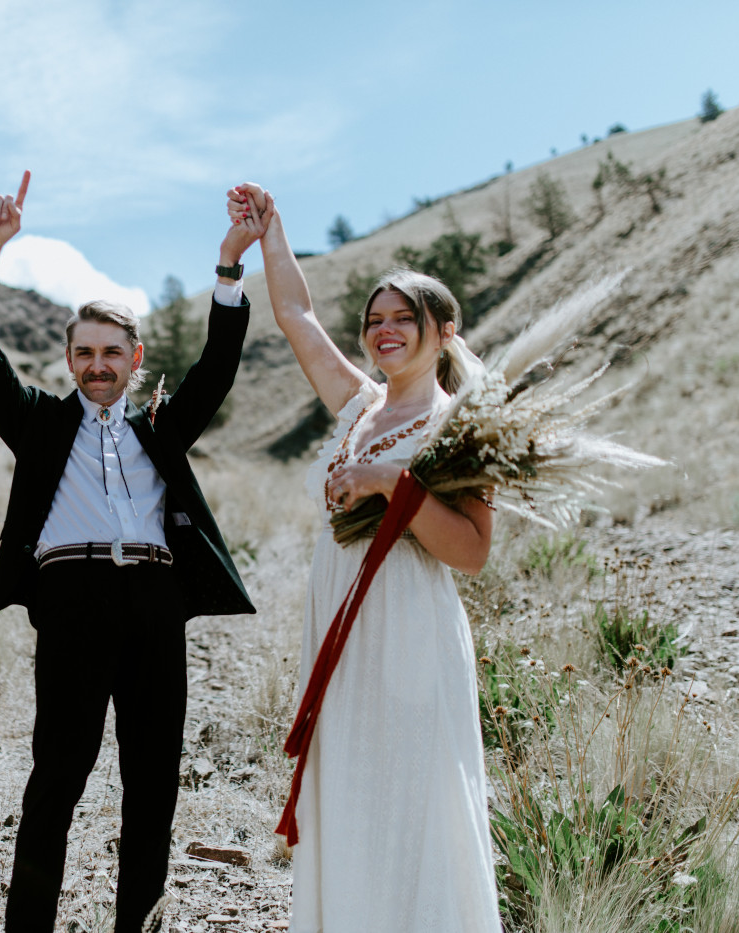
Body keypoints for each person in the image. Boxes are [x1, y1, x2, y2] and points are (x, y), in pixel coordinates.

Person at [0, 172, 257, 933]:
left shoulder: (160, 428)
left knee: (152, 785)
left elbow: (216, 369)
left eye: (111, 352)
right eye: (84, 352)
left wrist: (228, 263)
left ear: (133, 356)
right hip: (73, 602)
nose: (97, 364)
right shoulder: (40, 425)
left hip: (155, 604)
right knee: (56, 779)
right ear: (67, 359)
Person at [228, 184, 500, 932]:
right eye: (374, 319)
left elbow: (473, 551)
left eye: (401, 319)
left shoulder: (459, 426)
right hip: (339, 625)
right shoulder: (359, 406)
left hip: (408, 624)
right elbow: (295, 316)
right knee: (351, 786)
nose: (383, 331)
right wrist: (270, 231)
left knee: (415, 793)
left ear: (443, 330)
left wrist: (391, 483)